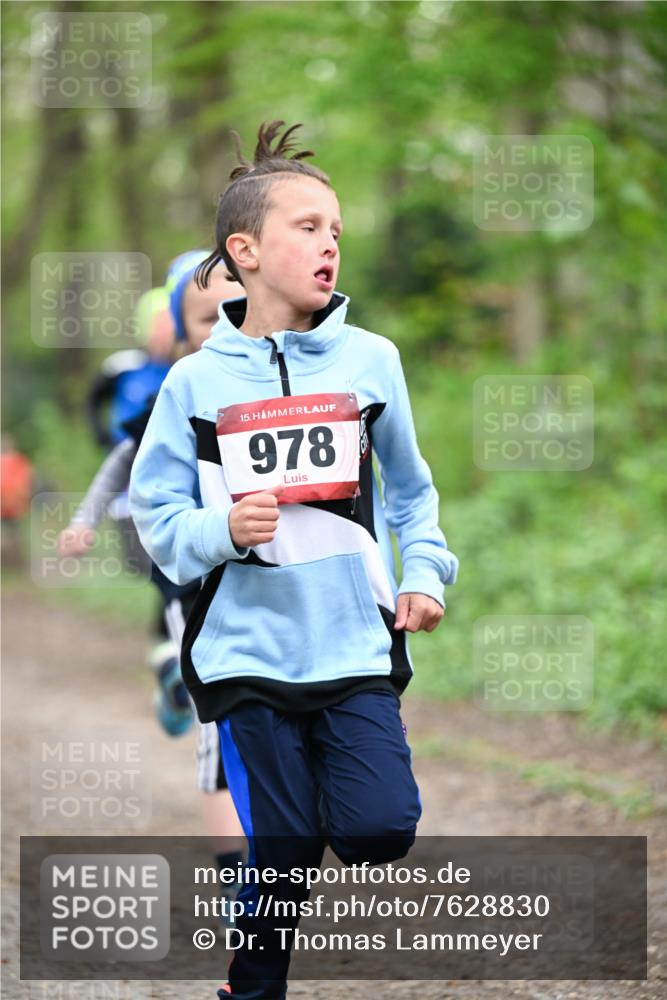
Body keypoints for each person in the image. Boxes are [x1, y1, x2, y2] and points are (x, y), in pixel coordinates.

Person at [129, 120, 459, 1000]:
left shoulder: (370, 361)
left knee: (378, 829)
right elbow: (157, 517)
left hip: (351, 643)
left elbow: (411, 494)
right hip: (243, 650)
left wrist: (424, 573)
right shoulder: (194, 382)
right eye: (307, 227)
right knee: (281, 841)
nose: (328, 245)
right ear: (244, 249)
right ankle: (253, 985)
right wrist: (222, 529)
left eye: (336, 231)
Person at [59, 254, 247, 918]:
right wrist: (84, 522)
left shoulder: (284, 389)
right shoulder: (169, 392)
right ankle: (237, 882)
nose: (222, 325)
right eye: (201, 316)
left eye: (235, 307)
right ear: (177, 330)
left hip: (269, 586)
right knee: (216, 722)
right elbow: (118, 458)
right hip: (183, 570)